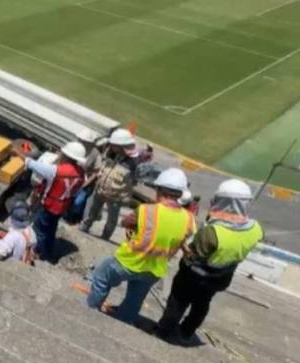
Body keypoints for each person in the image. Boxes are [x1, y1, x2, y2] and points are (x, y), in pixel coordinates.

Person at [157, 179, 263, 344]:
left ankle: (163, 331)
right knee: (202, 304)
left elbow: (194, 257)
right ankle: (186, 332)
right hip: (222, 277)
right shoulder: (256, 228)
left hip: (195, 276)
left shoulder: (212, 231)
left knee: (178, 301)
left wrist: (183, 246)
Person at [86, 168, 196, 324]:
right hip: (154, 270)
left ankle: (89, 311)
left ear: (160, 190)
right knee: (134, 300)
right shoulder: (189, 219)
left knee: (102, 275)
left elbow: (125, 222)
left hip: (128, 262)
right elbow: (181, 238)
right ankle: (123, 323)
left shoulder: (146, 210)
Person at [15, 141, 86, 262]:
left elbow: (33, 165)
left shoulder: (58, 170)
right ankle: (48, 251)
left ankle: (38, 253)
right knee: (50, 229)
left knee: (39, 230)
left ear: (67, 156)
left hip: (50, 205)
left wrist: (17, 153)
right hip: (62, 206)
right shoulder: (80, 172)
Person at [80, 128, 138, 240]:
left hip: (116, 197)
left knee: (112, 218)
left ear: (122, 146)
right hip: (101, 189)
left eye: (115, 145)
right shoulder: (110, 152)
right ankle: (85, 226)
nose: (112, 146)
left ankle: (105, 237)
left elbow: (134, 181)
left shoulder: (133, 162)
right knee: (92, 210)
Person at [65, 129, 101, 224]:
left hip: (84, 180)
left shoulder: (95, 153)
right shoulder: (75, 146)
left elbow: (97, 171)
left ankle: (75, 218)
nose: (80, 141)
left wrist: (86, 183)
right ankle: (67, 216)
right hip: (71, 176)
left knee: (78, 202)